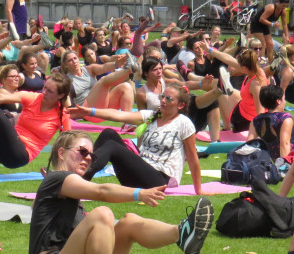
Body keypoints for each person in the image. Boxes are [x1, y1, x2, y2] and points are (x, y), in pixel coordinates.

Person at [28, 131, 215, 254]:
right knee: (102, 214)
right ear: (61, 153)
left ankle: (181, 233)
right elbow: (101, 190)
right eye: (82, 151)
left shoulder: (66, 189)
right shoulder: (56, 179)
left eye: (91, 156)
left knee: (129, 222)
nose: (88, 159)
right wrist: (138, 193)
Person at [70, 82, 203, 194]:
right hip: (139, 173)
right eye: (163, 96)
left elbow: (192, 158)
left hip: (158, 180)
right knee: (108, 133)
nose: (162, 101)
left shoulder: (183, 123)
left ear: (180, 105)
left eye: (168, 99)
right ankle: (79, 176)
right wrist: (90, 111)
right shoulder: (151, 116)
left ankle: (79, 181)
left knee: (112, 146)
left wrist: (199, 191)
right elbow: (117, 115)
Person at [0, 71, 72, 181]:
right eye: (44, 88)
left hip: (19, 155)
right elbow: (1, 97)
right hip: (3, 149)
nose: (44, 92)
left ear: (60, 95)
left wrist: (60, 172)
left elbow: (67, 146)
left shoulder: (62, 115)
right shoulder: (34, 98)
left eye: (50, 91)